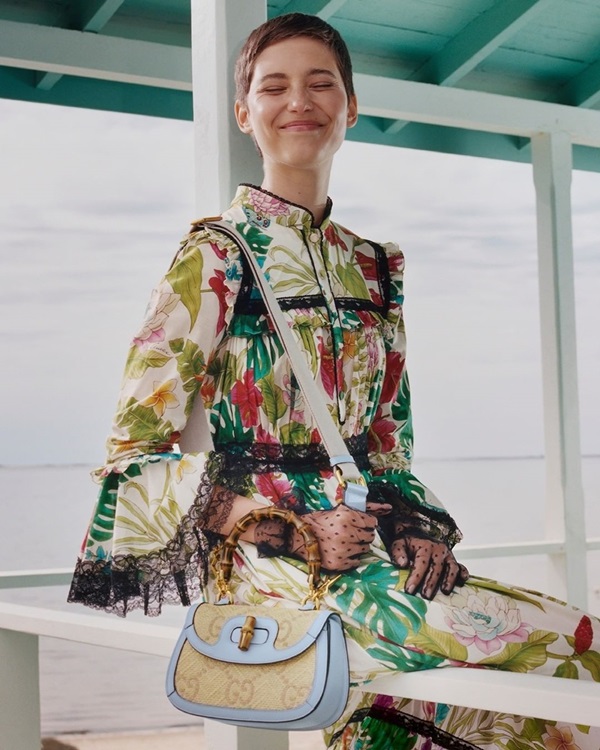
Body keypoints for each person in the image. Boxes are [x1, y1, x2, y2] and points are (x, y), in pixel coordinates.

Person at [69, 12, 600, 750]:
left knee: (512, 682)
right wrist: (289, 527)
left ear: (350, 106)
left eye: (322, 84)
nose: (300, 102)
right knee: (572, 643)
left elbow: (386, 440)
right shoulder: (215, 257)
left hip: (373, 548)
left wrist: (418, 530)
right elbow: (131, 455)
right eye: (274, 86)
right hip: (269, 563)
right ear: (244, 113)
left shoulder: (377, 266)